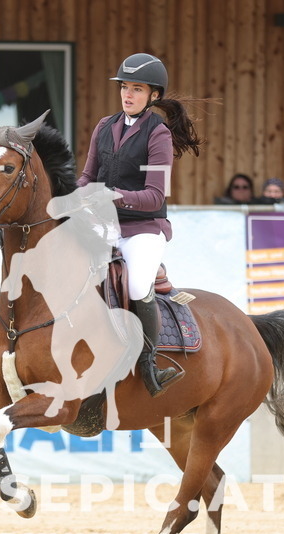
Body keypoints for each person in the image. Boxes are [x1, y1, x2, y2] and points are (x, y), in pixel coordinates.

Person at [77, 52, 204, 397]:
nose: (127, 94)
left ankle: (150, 365)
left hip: (144, 229)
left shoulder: (158, 134)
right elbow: (88, 177)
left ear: (154, 96)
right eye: (124, 88)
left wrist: (112, 196)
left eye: (136, 88)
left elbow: (154, 196)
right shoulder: (104, 126)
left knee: (136, 287)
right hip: (104, 226)